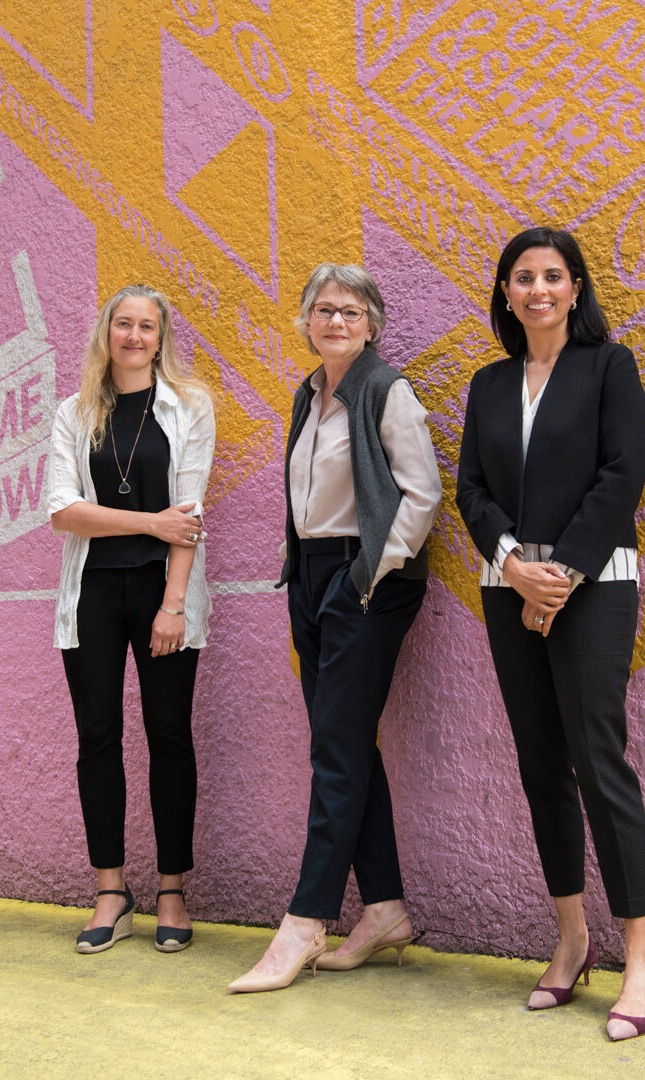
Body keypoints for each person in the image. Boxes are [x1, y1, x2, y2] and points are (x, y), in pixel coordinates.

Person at [456, 228, 645, 1041]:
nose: (537, 289)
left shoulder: (609, 367)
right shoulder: (487, 383)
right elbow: (471, 489)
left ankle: (641, 954)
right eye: (522, 277)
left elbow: (622, 475)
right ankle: (572, 938)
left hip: (595, 584)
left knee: (597, 758)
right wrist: (514, 567)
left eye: (552, 275)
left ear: (576, 289)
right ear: (505, 294)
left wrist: (562, 576)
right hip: (507, 585)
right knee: (541, 763)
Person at [228, 264, 441, 993]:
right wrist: (307, 575)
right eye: (323, 310)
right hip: (312, 574)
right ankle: (383, 909)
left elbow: (422, 493)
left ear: (371, 324)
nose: (336, 321)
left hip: (366, 578)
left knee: (335, 752)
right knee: (343, 744)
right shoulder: (307, 394)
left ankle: (306, 919)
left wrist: (369, 574)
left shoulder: (386, 390)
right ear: (306, 322)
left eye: (350, 311)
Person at [47, 283, 215, 955]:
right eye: (124, 323)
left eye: (147, 326)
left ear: (160, 338)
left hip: (162, 589)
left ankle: (171, 889)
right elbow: (64, 512)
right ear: (106, 332)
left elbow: (189, 517)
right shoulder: (74, 411)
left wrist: (173, 605)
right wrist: (150, 522)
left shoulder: (189, 406)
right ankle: (111, 893)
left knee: (169, 734)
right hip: (92, 591)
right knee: (97, 737)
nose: (135, 336)